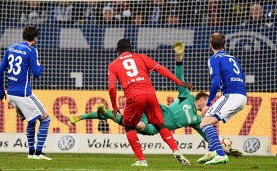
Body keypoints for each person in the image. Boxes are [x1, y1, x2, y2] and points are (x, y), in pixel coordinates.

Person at [69, 41, 243, 158]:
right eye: (207, 102)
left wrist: (222, 148)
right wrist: (179, 59)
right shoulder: (186, 97)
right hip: (153, 109)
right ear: (202, 98)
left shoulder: (198, 120)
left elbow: (207, 135)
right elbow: (179, 75)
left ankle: (97, 114)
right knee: (126, 118)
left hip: (153, 125)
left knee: (132, 123)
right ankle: (86, 116)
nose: (208, 106)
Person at [107, 38, 193, 167]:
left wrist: (114, 106)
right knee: (160, 125)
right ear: (130, 48)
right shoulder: (141, 57)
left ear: (117, 50)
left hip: (134, 97)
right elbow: (161, 69)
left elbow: (112, 87)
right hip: (150, 94)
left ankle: (142, 160)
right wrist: (179, 82)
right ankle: (176, 150)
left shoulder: (113, 65)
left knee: (129, 126)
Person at [0, 25, 52, 160]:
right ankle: (38, 153)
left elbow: (0, 71)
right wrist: (41, 65)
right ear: (35, 38)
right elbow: (36, 73)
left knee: (32, 120)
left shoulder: (11, 48)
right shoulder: (32, 50)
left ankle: (31, 153)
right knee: (45, 119)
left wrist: (1, 91)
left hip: (11, 94)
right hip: (24, 94)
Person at [198, 33, 247, 165]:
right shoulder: (233, 58)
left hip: (231, 95)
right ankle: (212, 150)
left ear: (210, 45)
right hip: (242, 95)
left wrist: (208, 103)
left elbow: (216, 84)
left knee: (205, 123)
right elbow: (242, 77)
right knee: (207, 118)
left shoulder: (214, 59)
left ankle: (220, 154)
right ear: (224, 45)